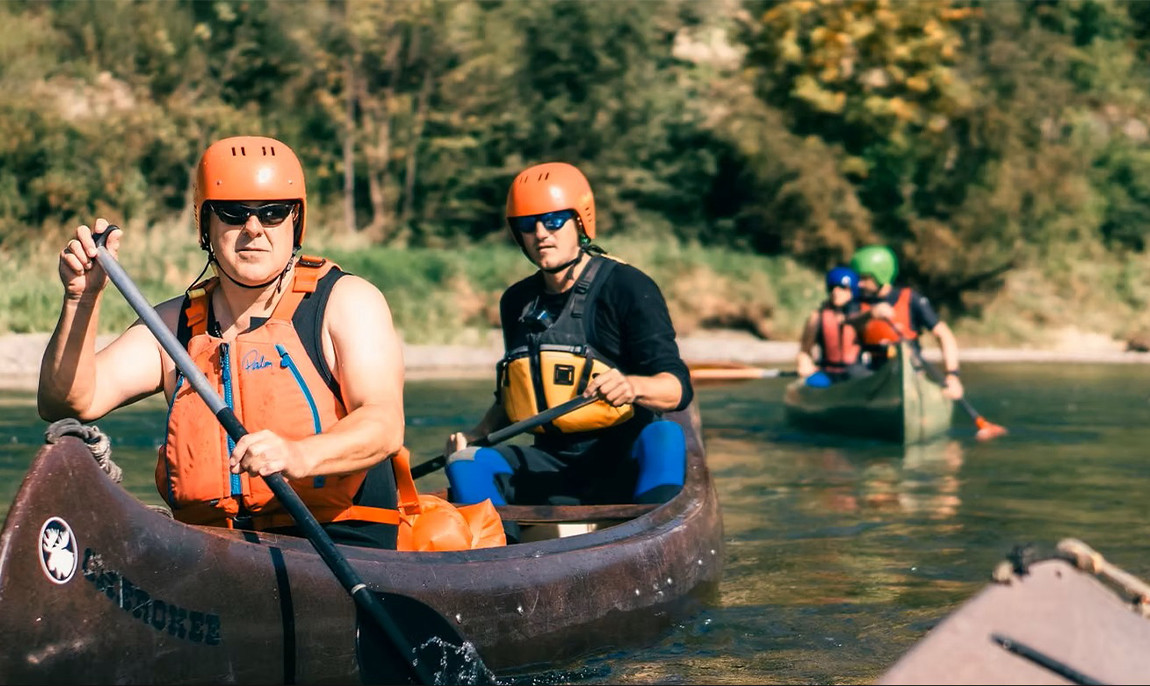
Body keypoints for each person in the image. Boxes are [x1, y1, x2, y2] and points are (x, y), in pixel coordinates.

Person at [37, 135, 407, 549]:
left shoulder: (347, 302)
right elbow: (69, 402)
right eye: (233, 213)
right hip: (217, 552)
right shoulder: (175, 324)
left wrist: (298, 455)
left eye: (272, 213)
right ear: (206, 225)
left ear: (295, 222)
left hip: (340, 544)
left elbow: (383, 423)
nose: (253, 229)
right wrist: (81, 299)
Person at [442, 162, 694, 539]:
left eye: (555, 220)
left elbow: (677, 388)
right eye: (528, 225)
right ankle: (501, 555)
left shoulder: (628, 287)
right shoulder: (517, 301)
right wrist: (477, 433)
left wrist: (631, 386)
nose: (541, 234)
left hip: (620, 459)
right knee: (465, 463)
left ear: (580, 222)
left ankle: (652, 541)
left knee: (666, 437)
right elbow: (515, 394)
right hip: (550, 464)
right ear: (518, 235)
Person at [849, 245, 965, 400]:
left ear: (880, 275)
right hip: (872, 373)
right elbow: (846, 324)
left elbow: (944, 335)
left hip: (911, 372)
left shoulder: (911, 299)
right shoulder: (856, 303)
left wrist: (952, 376)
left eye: (864, 278)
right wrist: (871, 314)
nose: (859, 284)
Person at [795, 265, 866, 387]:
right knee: (814, 383)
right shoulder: (817, 316)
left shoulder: (863, 314)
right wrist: (804, 363)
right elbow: (804, 351)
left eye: (842, 288)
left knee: (860, 375)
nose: (835, 292)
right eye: (832, 288)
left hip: (855, 372)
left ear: (852, 290)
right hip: (827, 373)